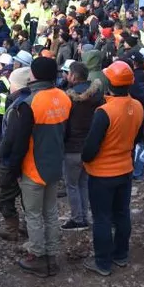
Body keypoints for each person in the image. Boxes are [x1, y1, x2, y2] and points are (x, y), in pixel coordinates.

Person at [2, 57, 71, 277]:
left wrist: (12, 168)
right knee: (50, 212)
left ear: (34, 75)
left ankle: (38, 256)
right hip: (54, 164)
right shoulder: (64, 97)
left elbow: (20, 142)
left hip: (34, 167)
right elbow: (66, 134)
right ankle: (51, 254)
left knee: (33, 214)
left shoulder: (29, 103)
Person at [81, 61, 143, 276]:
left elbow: (90, 147)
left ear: (109, 83)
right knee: (122, 213)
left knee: (102, 218)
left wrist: (84, 159)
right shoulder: (137, 106)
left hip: (102, 174)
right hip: (125, 169)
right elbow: (137, 137)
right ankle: (121, 254)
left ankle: (102, 262)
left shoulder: (104, 112)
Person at [62, 61, 103, 231]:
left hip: (72, 147)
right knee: (83, 183)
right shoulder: (98, 95)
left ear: (73, 76)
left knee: (71, 185)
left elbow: (64, 124)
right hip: (89, 146)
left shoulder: (68, 98)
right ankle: (84, 215)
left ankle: (78, 219)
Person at [0, 67, 32, 241]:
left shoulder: (17, 106)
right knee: (27, 196)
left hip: (12, 161)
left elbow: (11, 138)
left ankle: (12, 228)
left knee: (4, 196)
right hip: (30, 159)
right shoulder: (32, 100)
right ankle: (28, 226)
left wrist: (1, 154)